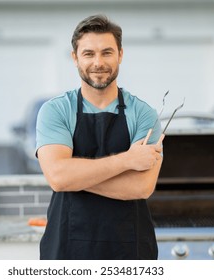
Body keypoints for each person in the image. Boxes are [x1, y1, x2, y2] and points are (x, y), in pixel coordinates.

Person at [35, 14, 164, 260]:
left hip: (130, 249)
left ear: (120, 55)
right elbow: (59, 178)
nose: (98, 62)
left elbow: (141, 186)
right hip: (67, 250)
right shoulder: (56, 111)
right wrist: (127, 161)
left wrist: (76, 177)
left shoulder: (144, 115)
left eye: (107, 52)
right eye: (88, 54)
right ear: (75, 58)